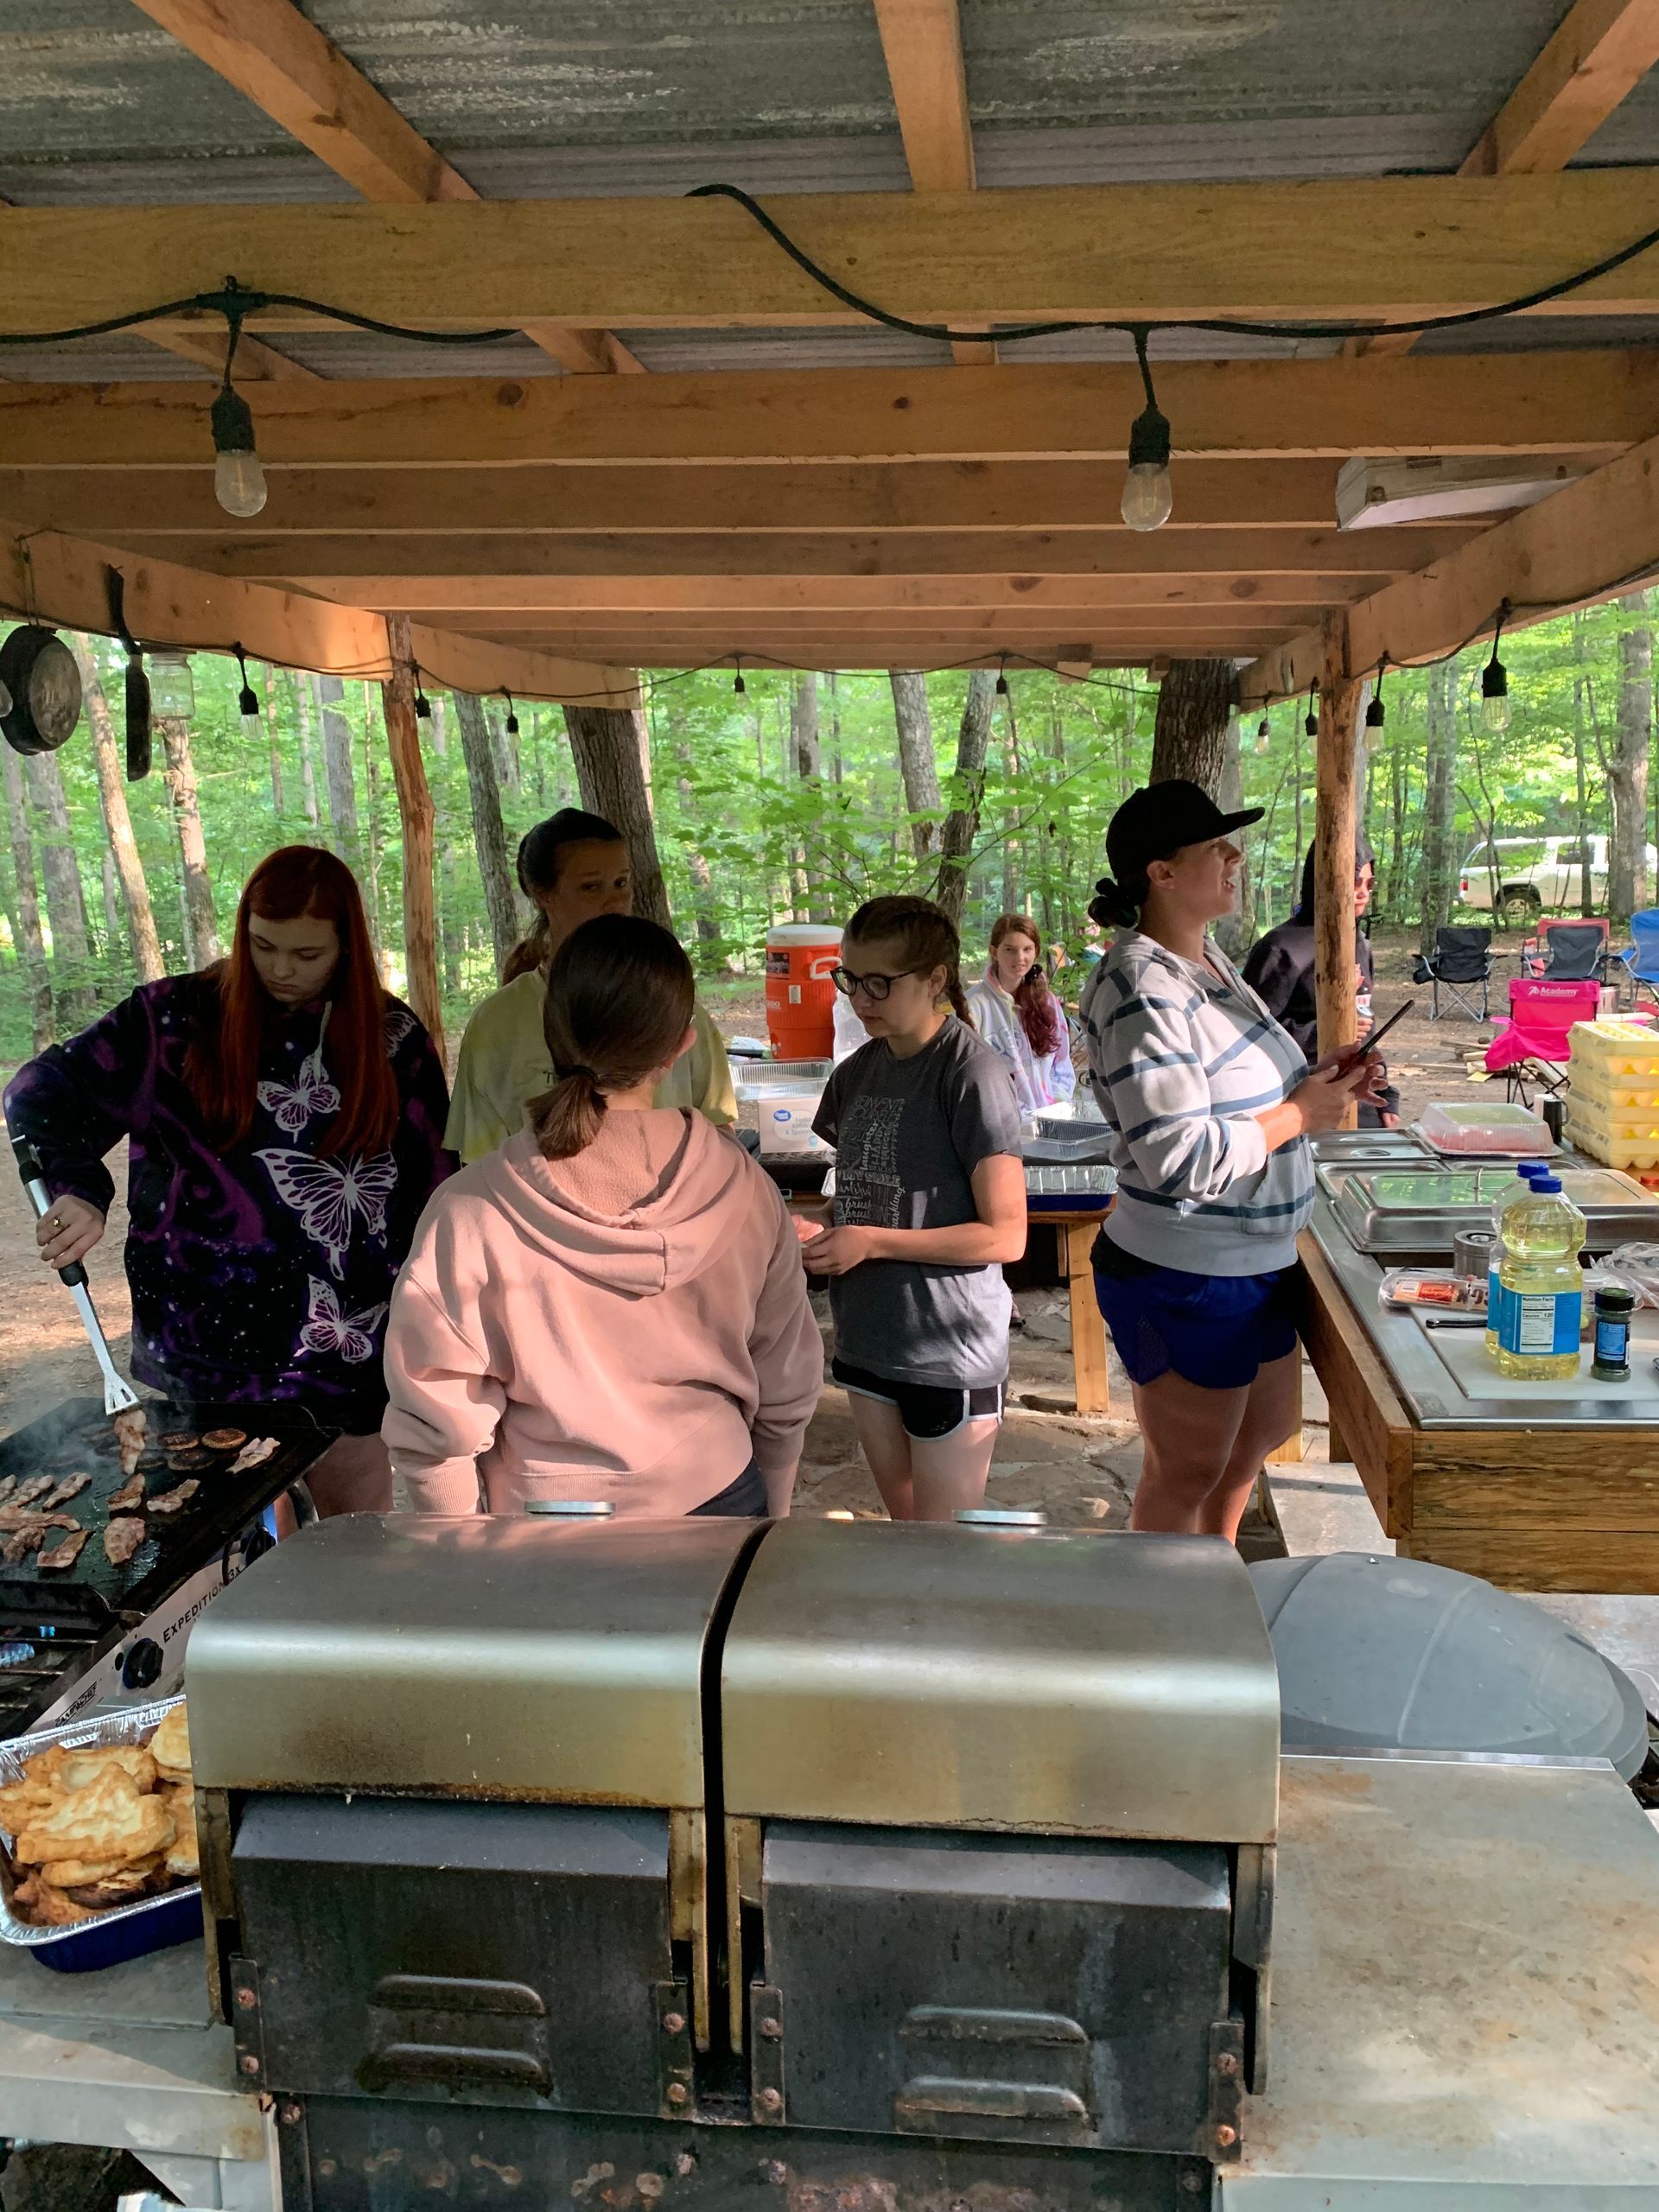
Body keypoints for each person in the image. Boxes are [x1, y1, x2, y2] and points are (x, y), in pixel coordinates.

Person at [3, 846, 453, 1513]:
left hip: (348, 1344)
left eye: (307, 955)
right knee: (222, 1555)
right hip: (206, 1343)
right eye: (264, 946)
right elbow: (40, 1093)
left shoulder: (393, 1037)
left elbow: (435, 1186)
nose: (281, 970)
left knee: (353, 1542)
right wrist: (78, 1187)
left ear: (348, 947)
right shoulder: (171, 1019)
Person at [383, 916, 821, 1518]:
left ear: (550, 1032)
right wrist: (768, 1523)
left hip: (546, 1538)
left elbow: (437, 1430)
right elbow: (786, 1384)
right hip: (719, 1498)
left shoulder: (470, 1209)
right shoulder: (745, 1189)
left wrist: (462, 1567)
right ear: (682, 1045)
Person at [1080, 782, 1384, 1541]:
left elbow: (1235, 1092)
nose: (1234, 857)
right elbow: (1177, 1158)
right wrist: (1300, 1114)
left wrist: (1314, 1082)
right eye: (1216, 846)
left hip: (1252, 1260)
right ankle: (1157, 1636)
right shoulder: (1138, 985)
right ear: (1162, 872)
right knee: (1186, 1470)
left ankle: (1209, 1596)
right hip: (1188, 1270)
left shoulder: (1204, 961)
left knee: (1253, 1438)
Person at [804, 895, 1027, 1522]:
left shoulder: (972, 1074)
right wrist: (818, 1229)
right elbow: (859, 1198)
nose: (861, 998)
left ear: (935, 979)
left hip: (948, 1348)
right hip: (869, 1338)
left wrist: (871, 1242)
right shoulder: (855, 1073)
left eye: (880, 982)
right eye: (850, 978)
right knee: (906, 1535)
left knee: (945, 1549)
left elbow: (1006, 1236)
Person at [444, 808, 736, 1162]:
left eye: (621, 883)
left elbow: (721, 1139)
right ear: (543, 894)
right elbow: (480, 1160)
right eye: (591, 887)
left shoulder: (673, 1007)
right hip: (535, 1213)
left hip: (670, 1210)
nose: (614, 902)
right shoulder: (496, 1025)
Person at [1242, 836, 1402, 1128]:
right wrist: (1328, 1029)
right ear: (1325, 881)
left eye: (1369, 884)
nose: (1363, 894)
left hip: (1359, 1098)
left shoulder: (1360, 945)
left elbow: (1365, 1023)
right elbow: (1249, 1036)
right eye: (1355, 883)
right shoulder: (1281, 948)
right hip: (1296, 1100)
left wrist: (1386, 1092)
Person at [965, 914, 1077, 1115]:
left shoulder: (1048, 1001)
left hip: (1050, 1118)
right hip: (1002, 1125)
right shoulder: (974, 1006)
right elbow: (971, 1076)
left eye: (1027, 949)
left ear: (1036, 952)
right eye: (1010, 950)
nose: (1019, 958)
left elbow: (1062, 1062)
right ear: (994, 952)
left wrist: (1056, 1104)